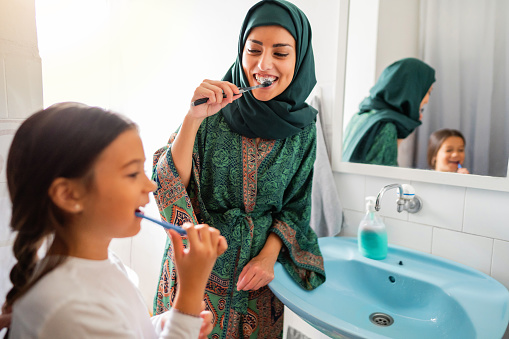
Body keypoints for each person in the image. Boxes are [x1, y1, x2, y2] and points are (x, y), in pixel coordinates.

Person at [152, 0, 326, 337]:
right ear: (240, 50)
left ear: (300, 56)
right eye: (254, 50)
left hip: (256, 285)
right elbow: (166, 184)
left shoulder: (304, 130)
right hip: (197, 275)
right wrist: (192, 120)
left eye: (280, 53)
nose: (263, 65)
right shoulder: (212, 106)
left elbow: (295, 207)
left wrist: (268, 257)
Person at [3, 102, 227, 339]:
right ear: (69, 195)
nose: (150, 185)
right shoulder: (68, 308)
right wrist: (189, 297)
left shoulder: (106, 264)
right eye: (132, 173)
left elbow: (128, 328)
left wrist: (166, 324)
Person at [342, 57, 436, 166]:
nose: (427, 100)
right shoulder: (386, 127)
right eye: (427, 92)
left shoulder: (360, 116)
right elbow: (386, 179)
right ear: (411, 90)